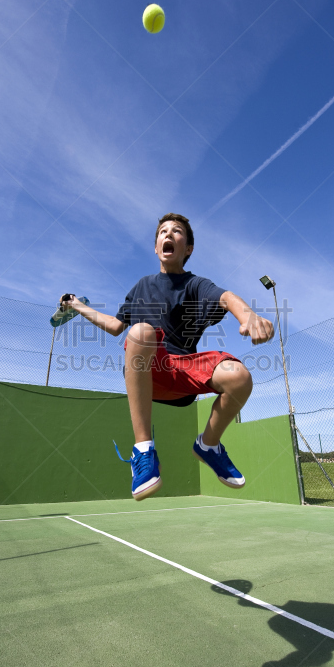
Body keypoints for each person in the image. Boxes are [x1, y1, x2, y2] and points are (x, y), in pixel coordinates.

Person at [59, 213, 274, 501]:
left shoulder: (196, 284)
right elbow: (114, 326)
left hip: (184, 373)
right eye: (162, 231)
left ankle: (209, 445)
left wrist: (248, 314)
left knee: (240, 376)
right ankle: (144, 450)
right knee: (142, 332)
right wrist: (76, 306)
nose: (168, 234)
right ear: (156, 246)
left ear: (188, 249)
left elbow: (226, 298)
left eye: (177, 232)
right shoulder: (142, 286)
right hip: (149, 371)